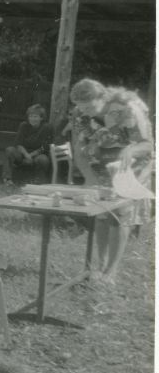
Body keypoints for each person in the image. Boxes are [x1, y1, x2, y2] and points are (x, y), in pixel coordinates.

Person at [69, 78, 154, 283]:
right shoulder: (80, 113)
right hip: (101, 164)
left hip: (131, 165)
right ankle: (101, 266)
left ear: (103, 97)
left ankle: (111, 272)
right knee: (101, 213)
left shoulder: (127, 109)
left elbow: (148, 145)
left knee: (120, 213)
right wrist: (90, 178)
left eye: (90, 106)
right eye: (81, 107)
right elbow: (79, 152)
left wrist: (131, 148)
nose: (86, 111)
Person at [1, 104, 53, 185]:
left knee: (43, 159)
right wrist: (26, 155)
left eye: (35, 116)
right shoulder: (24, 126)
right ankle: (7, 179)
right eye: (30, 116)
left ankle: (39, 181)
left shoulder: (46, 128)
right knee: (9, 150)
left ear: (41, 118)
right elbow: (18, 144)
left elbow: (45, 147)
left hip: (38, 154)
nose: (32, 119)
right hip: (23, 153)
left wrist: (31, 155)